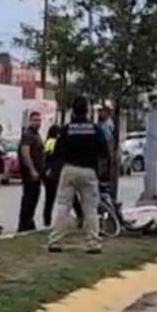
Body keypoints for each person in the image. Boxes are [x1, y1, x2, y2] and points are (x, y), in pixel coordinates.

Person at [48, 96, 111, 254]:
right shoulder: (95, 129)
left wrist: (55, 170)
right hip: (89, 171)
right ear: (87, 110)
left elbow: (57, 152)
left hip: (69, 170)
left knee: (63, 206)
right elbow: (105, 152)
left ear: (73, 111)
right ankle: (93, 243)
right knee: (90, 208)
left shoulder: (66, 129)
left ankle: (55, 241)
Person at [18, 112, 45, 232]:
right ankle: (24, 224)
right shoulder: (28, 135)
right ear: (30, 121)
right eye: (35, 120)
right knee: (29, 199)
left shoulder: (36, 135)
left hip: (37, 172)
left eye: (39, 120)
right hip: (30, 173)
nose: (37, 122)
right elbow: (25, 152)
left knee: (33, 198)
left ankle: (29, 222)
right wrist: (32, 170)